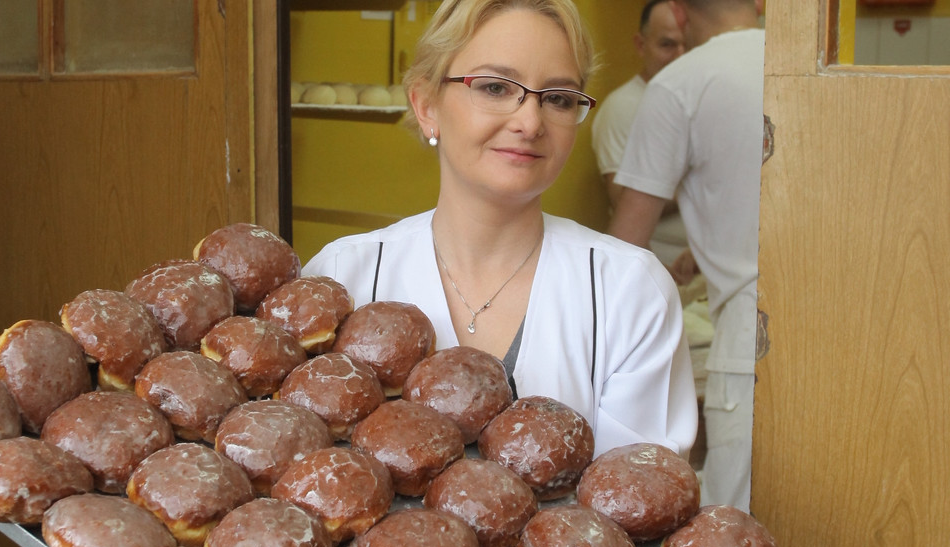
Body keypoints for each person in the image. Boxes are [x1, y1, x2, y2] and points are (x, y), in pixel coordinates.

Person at [302, 0, 698, 458]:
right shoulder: (341, 278)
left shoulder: (629, 290)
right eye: (494, 87)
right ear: (426, 104)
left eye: (558, 98)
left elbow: (639, 503)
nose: (530, 123)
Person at [608, 0, 764, 511]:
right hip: (850, 334)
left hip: (753, 338)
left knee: (735, 528)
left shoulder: (679, 85)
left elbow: (629, 243)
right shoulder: (809, 71)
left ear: (676, 10)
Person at [591, 0, 690, 272]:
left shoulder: (702, 99)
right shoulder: (622, 107)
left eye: (688, 44)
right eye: (667, 45)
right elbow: (623, 202)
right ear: (640, 44)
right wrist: (702, 175)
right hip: (664, 271)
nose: (681, 56)